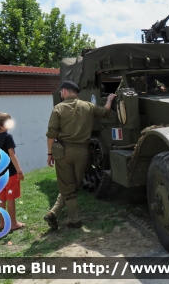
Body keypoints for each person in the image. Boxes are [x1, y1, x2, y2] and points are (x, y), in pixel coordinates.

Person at [44, 81, 116, 229]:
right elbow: (105, 112)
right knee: (74, 185)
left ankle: (75, 220)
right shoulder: (87, 106)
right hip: (83, 152)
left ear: (64, 92)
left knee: (67, 186)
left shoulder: (58, 108)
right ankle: (52, 213)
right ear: (76, 93)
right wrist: (109, 100)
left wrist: (50, 153)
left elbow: (51, 134)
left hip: (63, 152)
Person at [0, 112, 25, 230]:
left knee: (2, 199)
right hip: (10, 174)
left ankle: (2, 224)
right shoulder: (8, 137)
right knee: (10, 199)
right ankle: (13, 223)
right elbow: (12, 155)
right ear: (1, 125)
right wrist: (19, 170)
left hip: (0, 175)